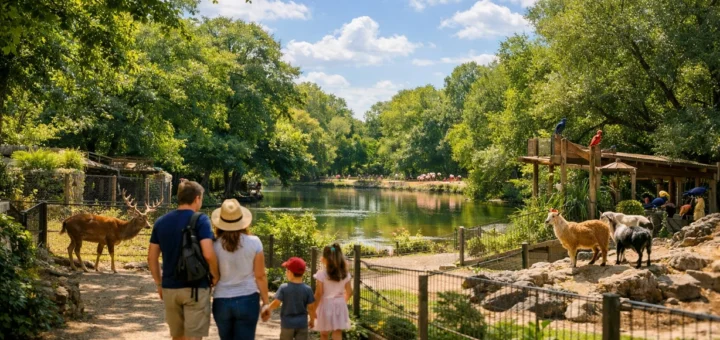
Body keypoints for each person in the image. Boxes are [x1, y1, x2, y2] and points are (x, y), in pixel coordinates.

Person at [148, 180, 220, 340]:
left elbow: (151, 257)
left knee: (177, 336)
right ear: (197, 198)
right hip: (196, 287)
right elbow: (208, 253)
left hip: (170, 288)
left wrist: (159, 283)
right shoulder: (201, 220)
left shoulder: (161, 222)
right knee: (193, 337)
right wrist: (215, 275)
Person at [211, 199, 269, 340]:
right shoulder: (254, 242)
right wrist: (266, 302)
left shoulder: (213, 245)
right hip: (248, 299)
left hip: (221, 299)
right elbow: (260, 276)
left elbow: (212, 274)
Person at [261, 257, 315, 340]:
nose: (286, 272)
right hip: (302, 324)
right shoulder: (308, 289)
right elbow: (311, 308)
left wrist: (268, 308)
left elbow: (276, 303)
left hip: (287, 324)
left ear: (290, 272)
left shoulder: (284, 288)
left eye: (286, 270)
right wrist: (312, 320)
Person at [312, 243, 352, 340]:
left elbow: (318, 293)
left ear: (324, 259)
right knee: (337, 331)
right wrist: (343, 301)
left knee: (324, 333)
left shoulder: (322, 274)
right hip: (340, 304)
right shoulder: (345, 274)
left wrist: (313, 308)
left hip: (325, 305)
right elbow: (349, 292)